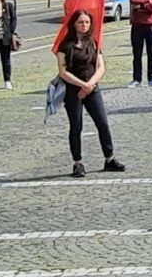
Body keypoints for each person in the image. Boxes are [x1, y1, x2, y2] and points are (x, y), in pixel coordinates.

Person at [53, 9, 126, 177]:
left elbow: (101, 67)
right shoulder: (65, 45)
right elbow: (63, 72)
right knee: (76, 126)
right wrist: (81, 85)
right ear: (74, 24)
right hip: (73, 91)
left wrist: (89, 85)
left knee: (103, 123)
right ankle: (77, 163)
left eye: (87, 22)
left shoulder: (94, 43)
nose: (84, 25)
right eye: (81, 22)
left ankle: (109, 158)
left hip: (92, 89)